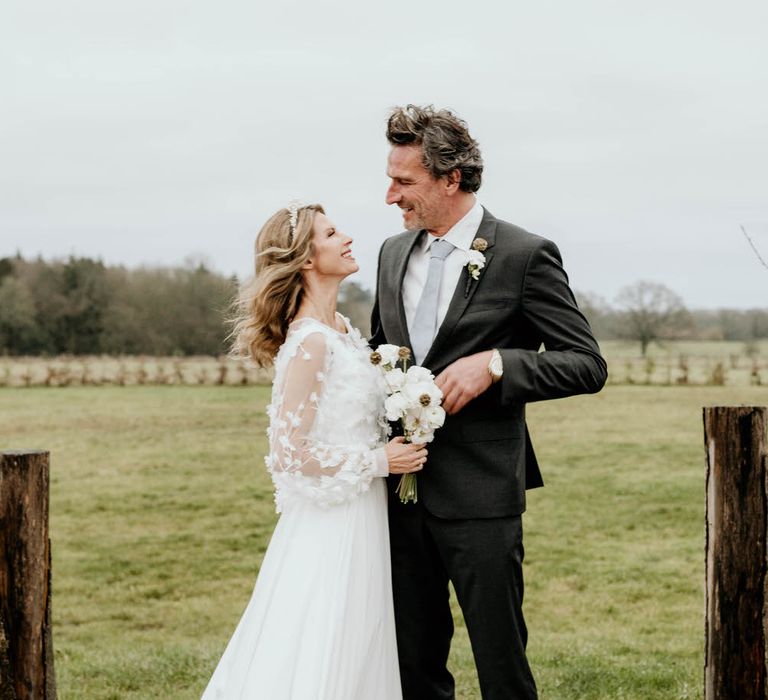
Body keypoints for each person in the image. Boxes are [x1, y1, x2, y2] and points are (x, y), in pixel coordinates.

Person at [370, 105, 608, 700]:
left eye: (404, 182)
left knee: (501, 665)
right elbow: (383, 352)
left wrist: (499, 364)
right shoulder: (392, 254)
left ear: (451, 178)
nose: (390, 195)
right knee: (412, 662)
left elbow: (587, 363)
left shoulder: (525, 254)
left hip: (481, 494)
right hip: (398, 493)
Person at [201, 203, 426, 700]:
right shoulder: (310, 343)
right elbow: (288, 453)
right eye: (331, 232)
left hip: (364, 513)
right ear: (305, 257)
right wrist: (379, 462)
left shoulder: (345, 330)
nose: (347, 237)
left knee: (361, 644)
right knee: (325, 642)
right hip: (331, 524)